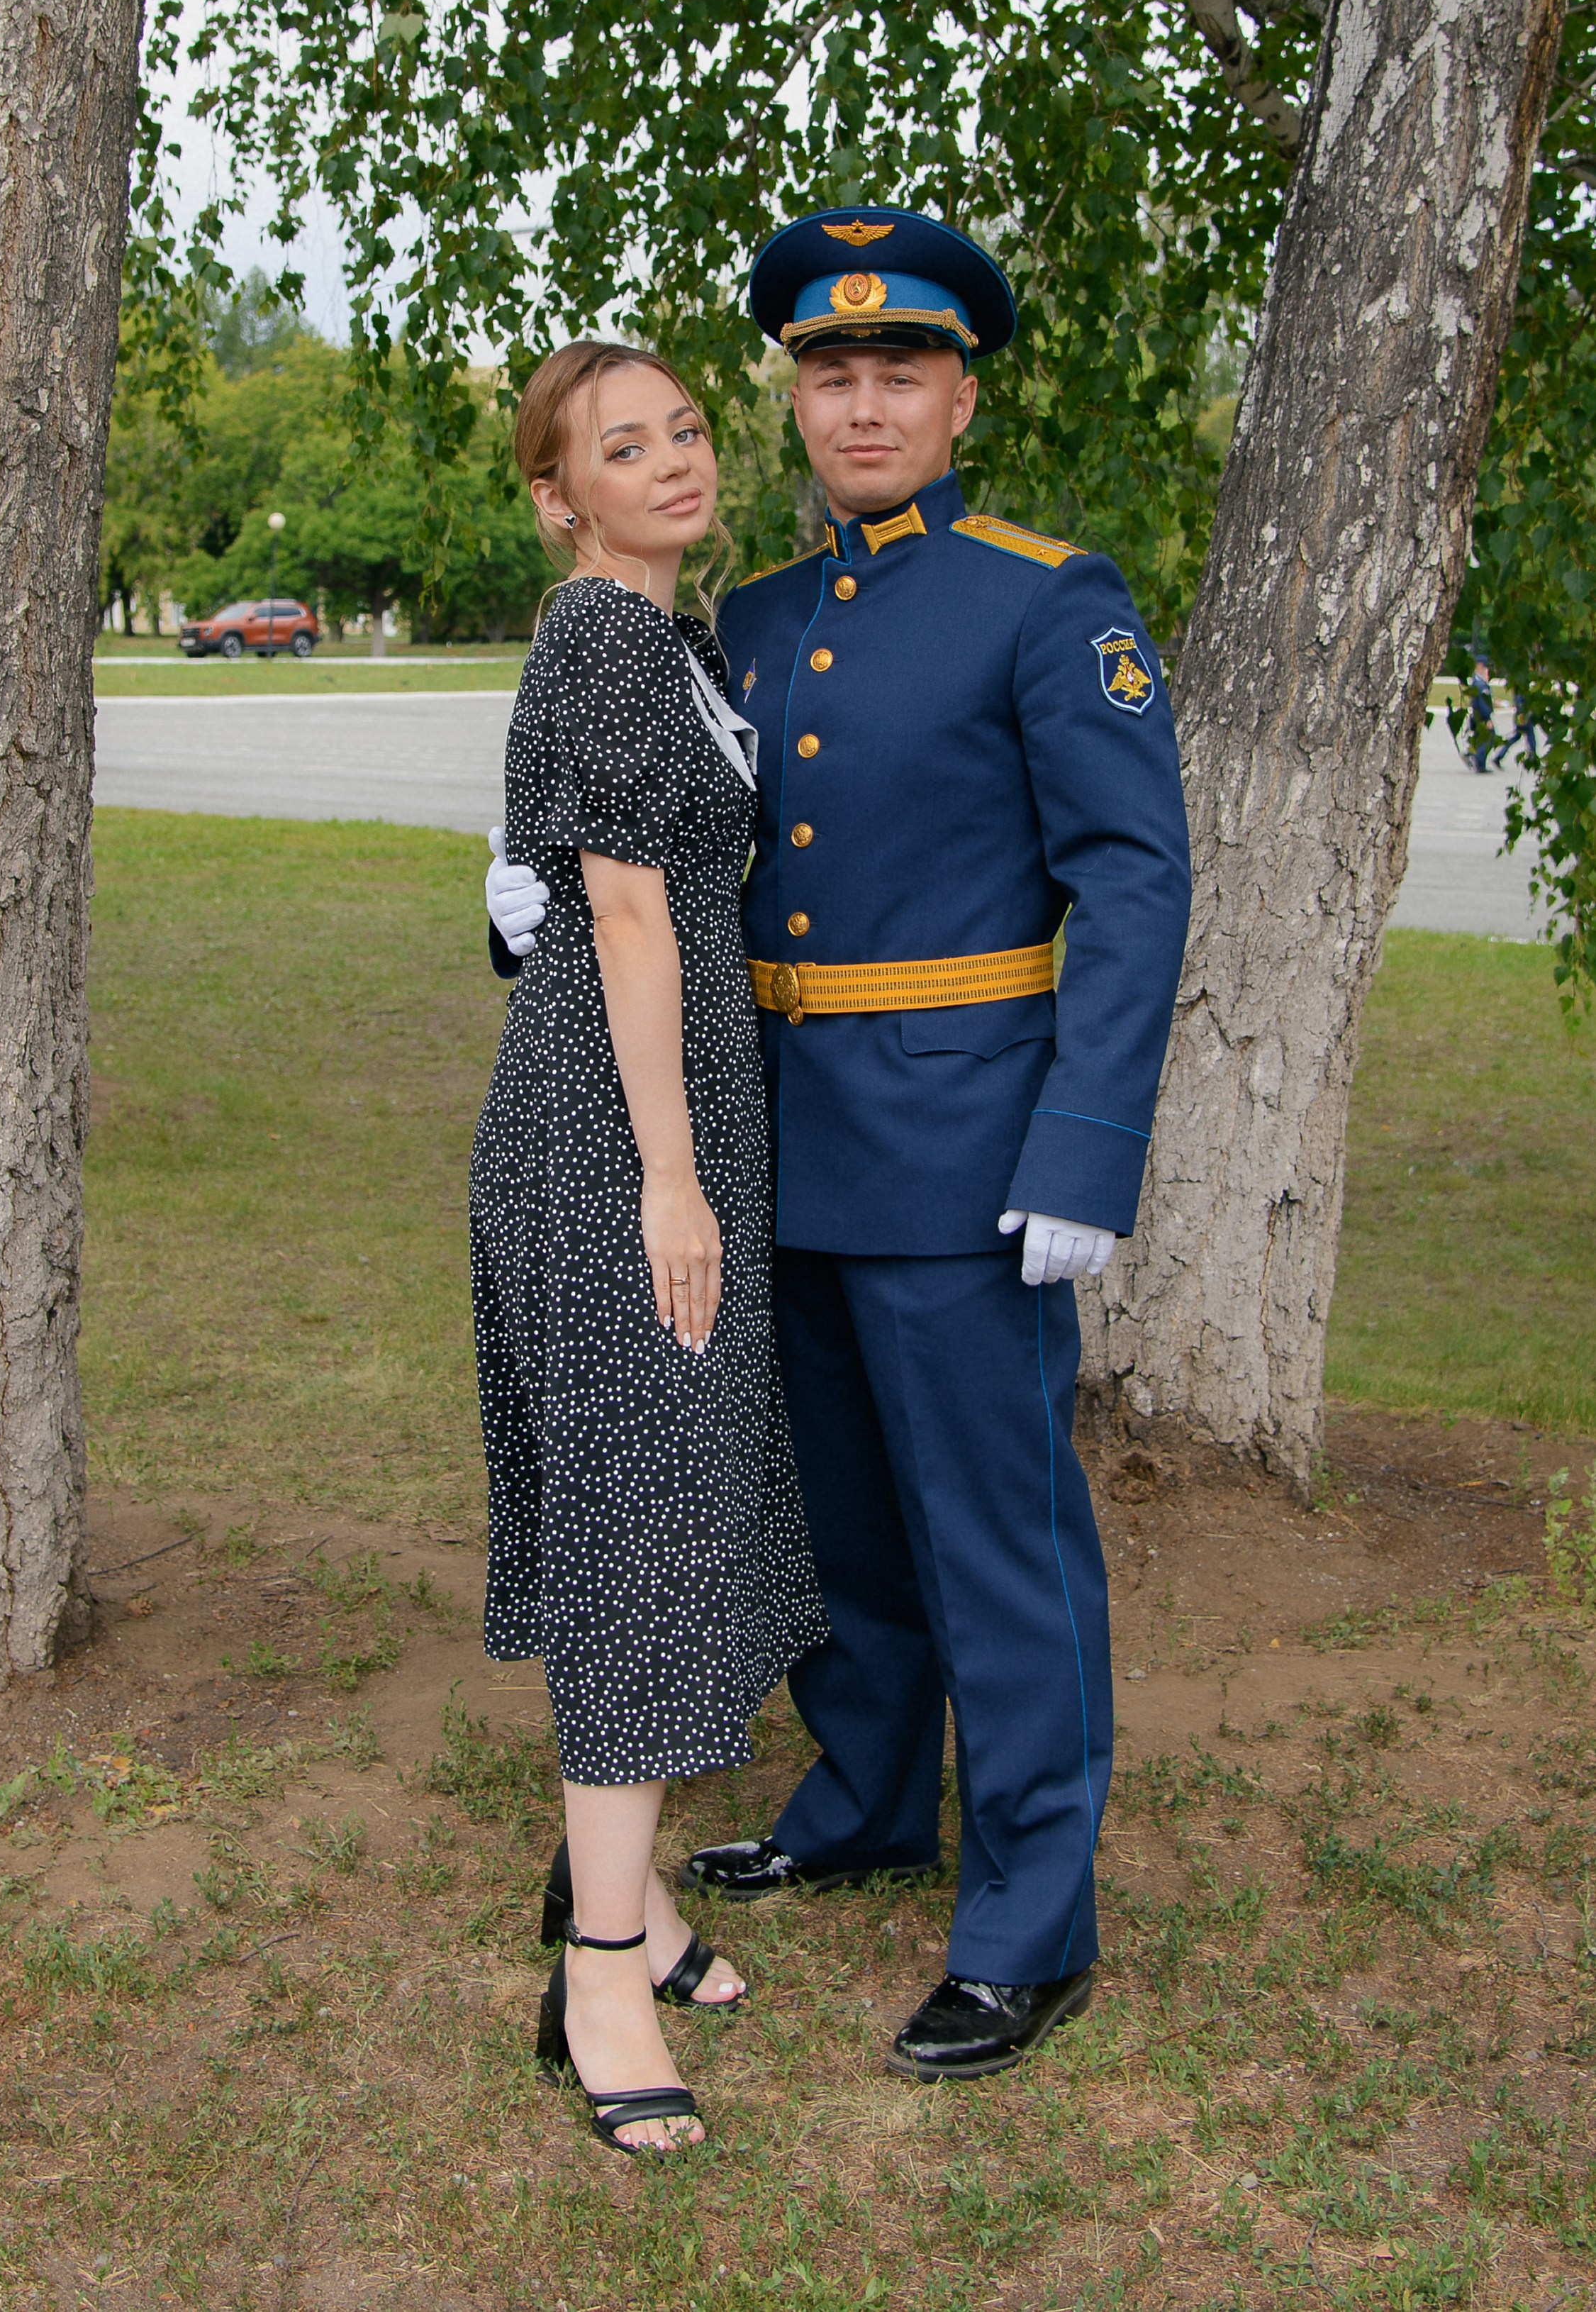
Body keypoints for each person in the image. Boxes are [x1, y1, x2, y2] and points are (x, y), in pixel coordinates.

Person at [490, 208, 1192, 2084]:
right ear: (795, 397)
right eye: (828, 371)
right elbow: (665, 854)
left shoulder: (1050, 596)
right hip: (772, 1147)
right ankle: (866, 1795)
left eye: (899, 369)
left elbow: (1131, 875)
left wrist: (1088, 1137)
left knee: (996, 1535)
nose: (860, 400)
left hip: (971, 1150)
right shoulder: (759, 620)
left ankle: (1030, 1914)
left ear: (957, 392)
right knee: (846, 1526)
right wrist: (527, 899)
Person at [470, 338, 827, 2153]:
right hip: (622, 1140)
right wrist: (669, 1179)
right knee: (639, 1525)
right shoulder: (601, 637)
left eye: (686, 427)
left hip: (665, 1119)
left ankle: (625, 1901)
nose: (675, 458)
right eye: (625, 445)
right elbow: (616, 905)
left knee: (669, 1497)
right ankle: (602, 1966)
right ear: (560, 492)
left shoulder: (663, 646)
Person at [1466, 652, 1499, 772]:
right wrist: (1487, 718)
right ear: (1480, 667)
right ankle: (1478, 760)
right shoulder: (1481, 684)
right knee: (1489, 738)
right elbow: (1483, 703)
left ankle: (1473, 755)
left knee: (1481, 738)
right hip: (1481, 716)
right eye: (1486, 667)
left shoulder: (1476, 682)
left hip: (1476, 715)